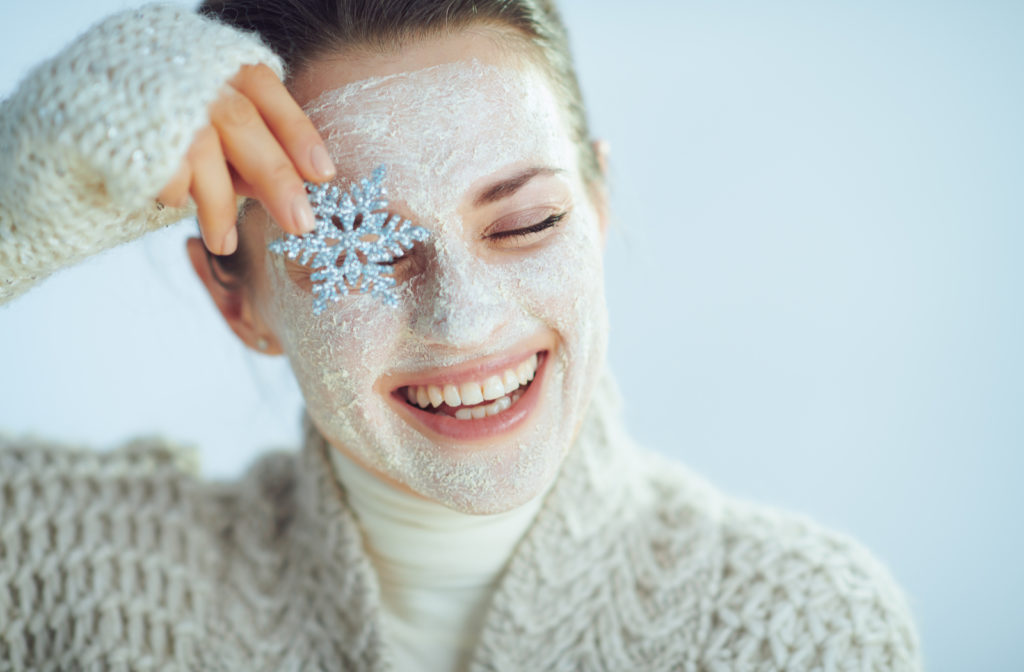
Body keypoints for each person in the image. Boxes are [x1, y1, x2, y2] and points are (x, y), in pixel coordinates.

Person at [0, 1, 922, 670]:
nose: (465, 319)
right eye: (360, 247)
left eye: (525, 223)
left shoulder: (801, 630)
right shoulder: (63, 576)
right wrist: (20, 198)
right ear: (237, 300)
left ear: (597, 212)